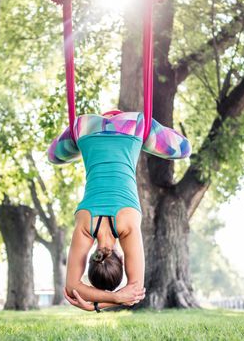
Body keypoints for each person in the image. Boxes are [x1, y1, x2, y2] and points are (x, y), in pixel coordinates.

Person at [48, 110, 191, 311]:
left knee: (184, 149)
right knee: (53, 156)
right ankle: (82, 137)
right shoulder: (84, 226)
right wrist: (93, 304)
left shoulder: (128, 227)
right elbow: (72, 288)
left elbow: (136, 289)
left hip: (132, 127)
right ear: (91, 259)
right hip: (86, 128)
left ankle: (117, 127)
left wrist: (113, 300)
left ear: (122, 260)